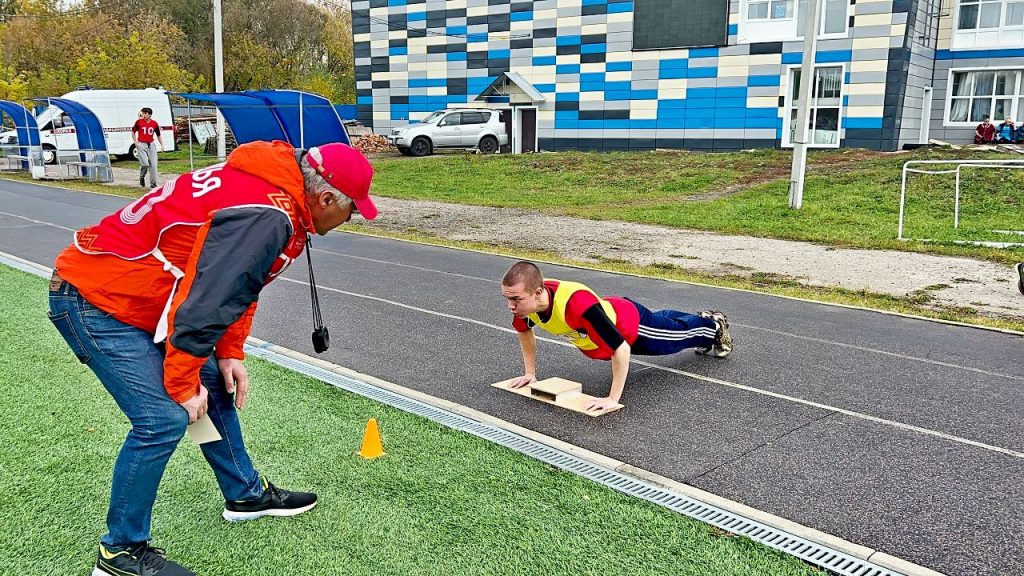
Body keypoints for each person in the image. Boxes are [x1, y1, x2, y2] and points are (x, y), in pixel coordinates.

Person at [47, 140, 378, 576]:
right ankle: (118, 554)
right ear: (326, 197)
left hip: (137, 299)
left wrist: (229, 352)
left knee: (215, 389)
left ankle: (244, 495)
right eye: (351, 209)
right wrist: (182, 384)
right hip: (96, 300)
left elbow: (240, 285)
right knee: (162, 419)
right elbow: (205, 306)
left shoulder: (271, 187)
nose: (350, 218)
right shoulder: (268, 214)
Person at [499, 261, 733, 413]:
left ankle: (713, 327)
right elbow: (524, 332)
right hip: (611, 314)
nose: (511, 305)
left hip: (630, 326)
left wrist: (612, 399)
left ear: (538, 292)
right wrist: (530, 374)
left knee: (675, 338)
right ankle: (701, 318)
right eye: (508, 299)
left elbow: (620, 348)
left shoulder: (577, 304)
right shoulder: (525, 308)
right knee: (664, 322)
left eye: (516, 299)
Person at [132, 107, 164, 188]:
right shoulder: (138, 122)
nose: (142, 114)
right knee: (145, 164)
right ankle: (141, 177)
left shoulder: (154, 123)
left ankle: (153, 183)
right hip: (141, 144)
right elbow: (133, 131)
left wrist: (162, 144)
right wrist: (135, 141)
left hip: (151, 144)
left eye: (144, 113)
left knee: (153, 164)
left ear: (148, 114)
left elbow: (158, 135)